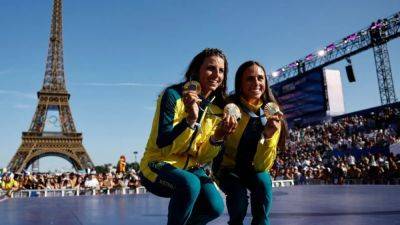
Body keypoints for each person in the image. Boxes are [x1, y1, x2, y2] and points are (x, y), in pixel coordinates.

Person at [139, 48, 237, 225]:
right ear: (196, 70)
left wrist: (218, 137)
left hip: (190, 167)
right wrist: (189, 121)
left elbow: (202, 156)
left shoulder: (217, 110)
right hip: (157, 163)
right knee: (190, 184)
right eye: (210, 68)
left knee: (215, 206)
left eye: (221, 70)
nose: (216, 74)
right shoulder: (172, 95)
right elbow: (163, 143)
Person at [213, 60, 287, 225]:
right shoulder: (227, 109)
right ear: (240, 83)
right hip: (227, 169)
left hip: (253, 169)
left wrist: (268, 137)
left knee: (263, 184)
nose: (256, 83)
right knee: (239, 200)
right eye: (250, 79)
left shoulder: (273, 116)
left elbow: (262, 167)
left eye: (260, 78)